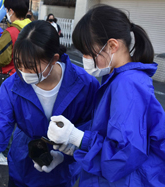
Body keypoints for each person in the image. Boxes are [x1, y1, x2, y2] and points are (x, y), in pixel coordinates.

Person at [0, 20, 99, 187]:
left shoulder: (85, 85)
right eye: (19, 65)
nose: (24, 73)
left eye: (31, 67)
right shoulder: (12, 87)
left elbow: (92, 129)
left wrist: (67, 154)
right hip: (22, 168)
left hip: (62, 174)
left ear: (54, 59)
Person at [47, 5, 165, 187]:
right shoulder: (118, 79)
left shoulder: (127, 84)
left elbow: (123, 154)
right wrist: (75, 146)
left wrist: (78, 138)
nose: (85, 58)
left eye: (88, 52)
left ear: (112, 46)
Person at [0, 0, 31, 98]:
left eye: (6, 10)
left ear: (11, 11)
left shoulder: (11, 32)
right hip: (27, 77)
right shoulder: (31, 28)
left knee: (2, 110)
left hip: (8, 79)